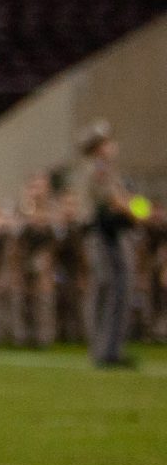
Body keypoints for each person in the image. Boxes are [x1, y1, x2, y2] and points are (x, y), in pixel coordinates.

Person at [82, 122, 137, 368]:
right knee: (109, 290)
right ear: (99, 147)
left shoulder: (108, 171)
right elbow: (117, 202)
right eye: (107, 142)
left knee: (118, 291)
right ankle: (104, 350)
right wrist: (141, 212)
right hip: (104, 235)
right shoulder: (99, 170)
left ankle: (111, 349)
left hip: (113, 234)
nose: (112, 146)